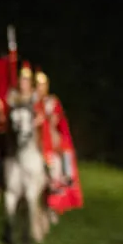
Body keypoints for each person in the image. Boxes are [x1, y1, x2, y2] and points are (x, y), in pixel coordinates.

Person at [36, 70, 83, 214]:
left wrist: (51, 125)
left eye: (42, 85)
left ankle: (64, 179)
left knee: (64, 151)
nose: (40, 88)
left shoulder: (51, 102)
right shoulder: (33, 101)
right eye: (38, 85)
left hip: (50, 137)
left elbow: (57, 120)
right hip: (37, 138)